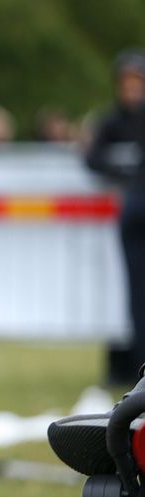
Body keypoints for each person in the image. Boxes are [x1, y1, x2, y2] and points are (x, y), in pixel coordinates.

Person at [85, 49, 145, 387]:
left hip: (135, 205)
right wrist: (124, 167)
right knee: (136, 294)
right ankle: (139, 365)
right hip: (136, 207)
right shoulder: (112, 120)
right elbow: (93, 158)